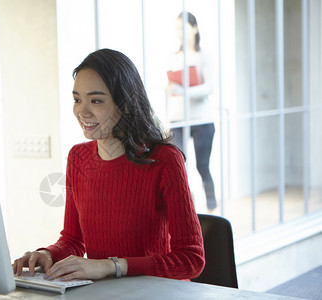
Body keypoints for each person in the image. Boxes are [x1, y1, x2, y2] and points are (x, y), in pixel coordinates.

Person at [13, 48, 204, 282]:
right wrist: (46, 254)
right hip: (104, 293)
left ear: (124, 104)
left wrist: (110, 266)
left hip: (156, 294)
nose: (81, 111)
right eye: (77, 99)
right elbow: (73, 240)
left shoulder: (164, 160)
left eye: (95, 100)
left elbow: (190, 260)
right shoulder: (78, 157)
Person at [166, 11, 217, 210]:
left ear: (194, 29)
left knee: (202, 166)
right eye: (177, 28)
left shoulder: (204, 56)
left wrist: (184, 90)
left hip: (202, 120)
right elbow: (170, 88)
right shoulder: (173, 57)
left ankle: (212, 209)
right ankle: (186, 209)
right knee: (177, 168)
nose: (180, 32)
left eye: (184, 27)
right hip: (178, 120)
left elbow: (209, 88)